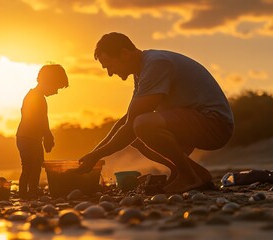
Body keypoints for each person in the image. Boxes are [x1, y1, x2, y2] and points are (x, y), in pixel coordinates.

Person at [76, 32, 234, 193]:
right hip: (190, 121)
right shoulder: (141, 72)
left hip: (215, 124)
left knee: (142, 125)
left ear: (124, 54)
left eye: (109, 66)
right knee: (136, 133)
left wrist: (95, 157)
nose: (110, 73)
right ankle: (188, 172)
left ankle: (189, 176)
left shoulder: (156, 64)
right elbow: (128, 118)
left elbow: (132, 124)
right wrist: (93, 154)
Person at [16, 64, 69, 199]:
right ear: (47, 81)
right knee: (30, 165)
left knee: (35, 164)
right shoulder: (34, 97)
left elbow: (43, 119)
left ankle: (31, 190)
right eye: (56, 87)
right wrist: (47, 135)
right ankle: (25, 192)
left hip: (31, 138)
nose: (56, 92)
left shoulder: (38, 96)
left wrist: (46, 135)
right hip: (28, 138)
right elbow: (38, 119)